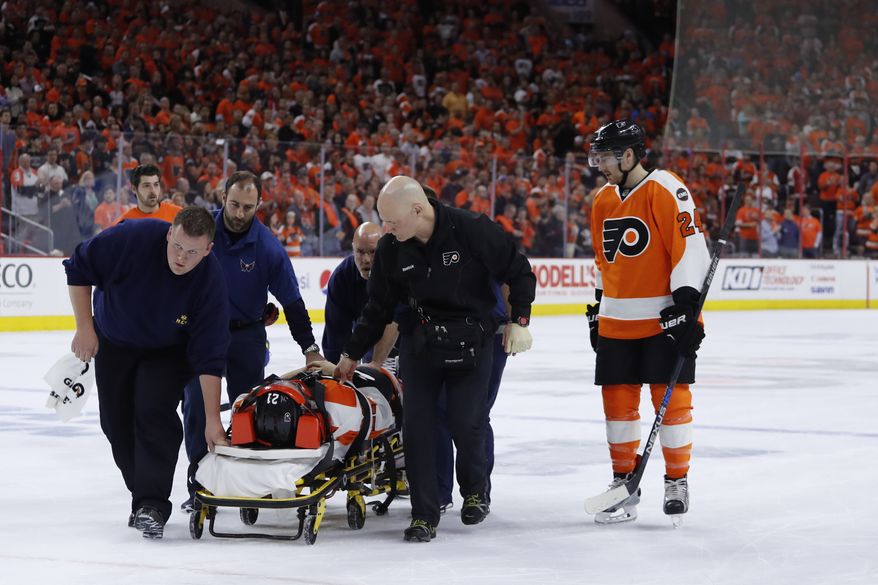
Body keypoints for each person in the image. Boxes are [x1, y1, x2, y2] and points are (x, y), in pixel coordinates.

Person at [334, 176, 535, 542]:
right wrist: (350, 353)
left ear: (417, 210)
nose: (387, 230)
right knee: (419, 431)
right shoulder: (394, 248)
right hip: (422, 342)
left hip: (474, 339)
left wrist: (519, 320)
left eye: (392, 221)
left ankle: (475, 490)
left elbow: (517, 269)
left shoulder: (471, 229)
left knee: (466, 422)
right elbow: (377, 307)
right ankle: (424, 515)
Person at [62, 206, 230, 539]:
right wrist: (85, 327)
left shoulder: (210, 280)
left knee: (152, 410)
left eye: (192, 252)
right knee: (114, 422)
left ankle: (151, 505)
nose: (181, 257)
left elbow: (210, 356)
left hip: (169, 352)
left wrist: (212, 419)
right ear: (170, 233)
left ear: (208, 250)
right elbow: (78, 266)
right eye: (177, 246)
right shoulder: (132, 238)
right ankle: (143, 494)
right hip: (114, 340)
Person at [586, 120, 710, 525]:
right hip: (616, 323)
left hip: (662, 322)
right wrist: (600, 306)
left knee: (671, 405)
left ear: (629, 155)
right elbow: (606, 261)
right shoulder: (603, 199)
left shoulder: (665, 188)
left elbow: (688, 246)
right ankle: (625, 483)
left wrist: (687, 305)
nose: (599, 164)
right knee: (617, 409)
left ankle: (677, 480)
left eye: (605, 156)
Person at [180, 171, 324, 509]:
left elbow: (292, 301)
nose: (240, 213)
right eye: (234, 204)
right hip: (202, 334)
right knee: (198, 410)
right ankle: (200, 489)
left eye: (248, 206)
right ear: (222, 197)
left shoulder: (267, 247)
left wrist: (309, 348)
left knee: (250, 413)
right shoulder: (202, 230)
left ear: (259, 204)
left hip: (246, 335)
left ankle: (245, 488)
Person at [322, 222, 398, 367]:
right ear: (352, 249)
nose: (366, 260)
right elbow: (336, 333)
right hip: (365, 333)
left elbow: (398, 319)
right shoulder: (341, 277)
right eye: (360, 252)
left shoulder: (398, 270)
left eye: (373, 252)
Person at [116, 164, 182, 223]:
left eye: (156, 185)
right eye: (146, 185)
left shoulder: (178, 215)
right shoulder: (125, 222)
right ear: (134, 189)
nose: (153, 190)